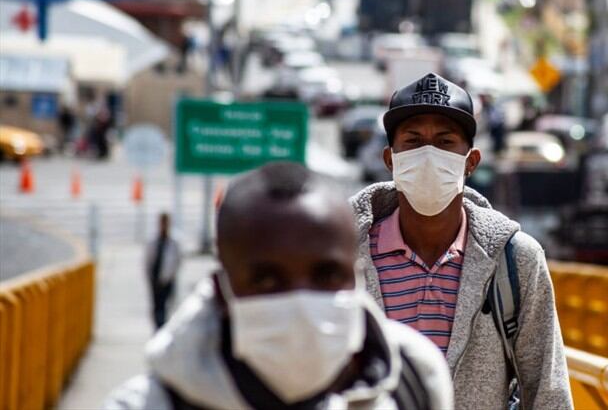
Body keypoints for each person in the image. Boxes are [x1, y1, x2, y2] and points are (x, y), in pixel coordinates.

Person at [107, 162, 452, 410]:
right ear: (222, 291)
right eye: (267, 280)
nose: (301, 301)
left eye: (327, 275)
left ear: (357, 277)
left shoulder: (414, 378)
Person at [350, 73, 572, 409]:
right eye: (412, 141)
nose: (428, 155)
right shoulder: (345, 258)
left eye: (444, 142)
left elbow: (548, 391)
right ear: (389, 159)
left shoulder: (514, 260)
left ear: (471, 162)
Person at [145, 213, 181, 330]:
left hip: (167, 280)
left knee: (167, 306)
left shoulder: (174, 241)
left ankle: (164, 328)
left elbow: (178, 261)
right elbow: (148, 260)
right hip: (155, 279)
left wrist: (170, 276)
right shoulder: (153, 240)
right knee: (157, 307)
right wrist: (149, 276)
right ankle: (158, 328)